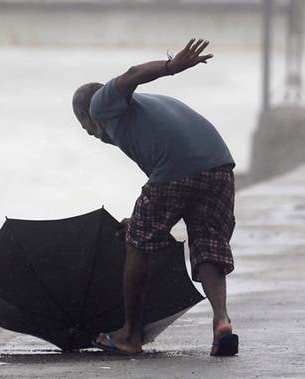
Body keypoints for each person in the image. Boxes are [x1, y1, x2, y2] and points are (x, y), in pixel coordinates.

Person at [72, 38, 238, 356]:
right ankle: (222, 323)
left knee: (138, 243)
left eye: (86, 128)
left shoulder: (100, 103)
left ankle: (129, 336)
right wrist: (141, 219)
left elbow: (132, 73)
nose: (93, 135)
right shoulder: (148, 110)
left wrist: (170, 67)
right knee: (208, 242)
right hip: (218, 165)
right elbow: (173, 191)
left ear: (86, 116)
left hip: (177, 169)